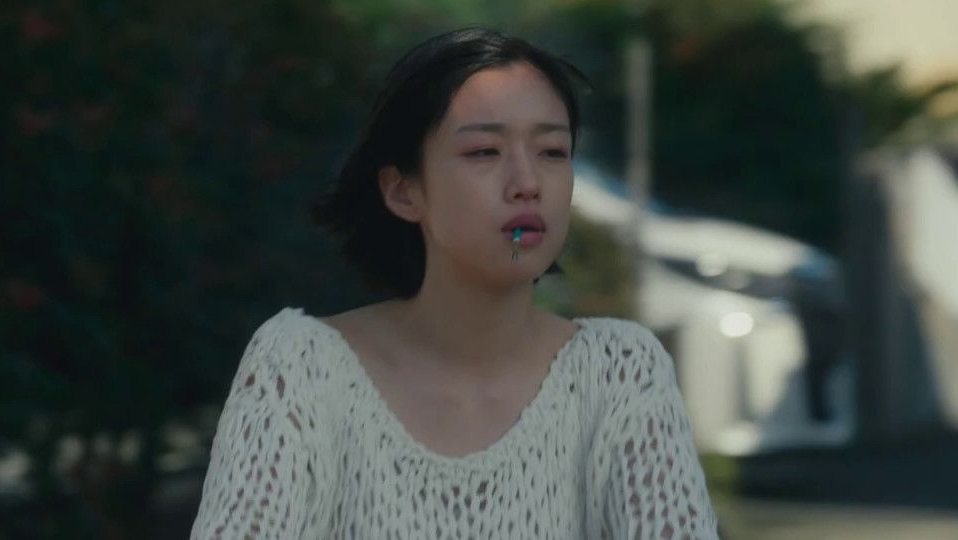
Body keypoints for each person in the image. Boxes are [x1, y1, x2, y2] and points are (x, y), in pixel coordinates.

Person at [190, 27, 719, 539]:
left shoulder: (619, 374)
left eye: (552, 152)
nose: (527, 183)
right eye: (484, 151)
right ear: (403, 191)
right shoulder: (300, 370)